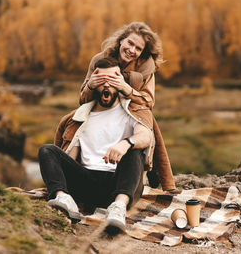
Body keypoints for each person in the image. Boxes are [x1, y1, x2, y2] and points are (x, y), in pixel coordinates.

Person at [38, 57, 162, 231]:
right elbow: (69, 158)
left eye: (111, 80)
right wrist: (61, 176)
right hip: (86, 183)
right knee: (46, 150)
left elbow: (145, 136)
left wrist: (126, 143)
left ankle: (118, 209)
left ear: (119, 82)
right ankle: (64, 199)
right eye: (102, 80)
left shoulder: (134, 111)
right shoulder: (81, 116)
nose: (106, 85)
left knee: (135, 150)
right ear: (94, 83)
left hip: (119, 184)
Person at [79, 22, 176, 191]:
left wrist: (126, 89)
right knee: (72, 122)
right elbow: (82, 99)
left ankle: (160, 179)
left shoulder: (146, 67)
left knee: (148, 121)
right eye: (130, 43)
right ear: (121, 41)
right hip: (102, 106)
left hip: (132, 109)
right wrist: (91, 85)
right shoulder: (99, 59)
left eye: (138, 48)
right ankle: (69, 171)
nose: (132, 50)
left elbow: (148, 101)